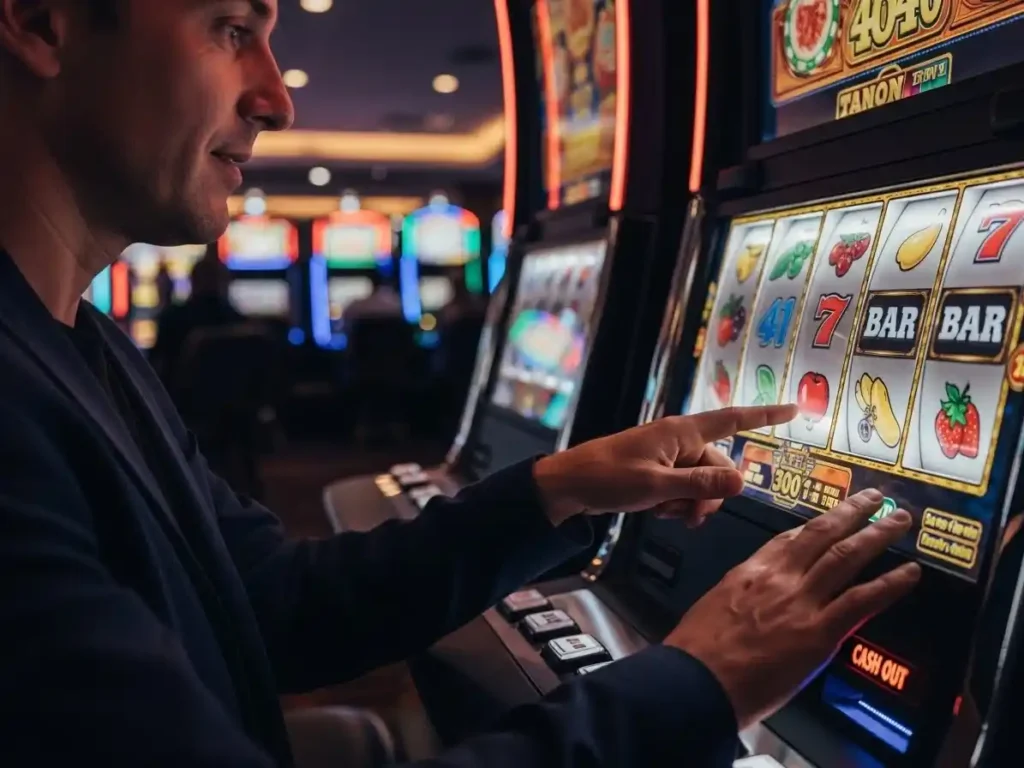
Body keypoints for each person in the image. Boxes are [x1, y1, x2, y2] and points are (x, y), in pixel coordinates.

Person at [0, 2, 922, 766]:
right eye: (232, 26)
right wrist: (699, 684)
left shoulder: (82, 344)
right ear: (42, 21)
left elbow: (273, 602)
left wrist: (558, 487)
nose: (276, 97)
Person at [150, 252, 245, 384]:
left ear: (193, 281)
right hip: (234, 400)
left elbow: (153, 369)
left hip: (180, 401)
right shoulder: (242, 324)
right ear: (225, 283)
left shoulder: (173, 318)